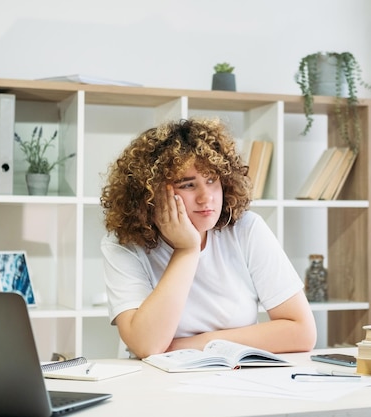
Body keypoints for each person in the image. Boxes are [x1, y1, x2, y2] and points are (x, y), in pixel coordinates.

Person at [100, 118, 317, 359]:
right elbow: (147, 346)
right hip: (156, 383)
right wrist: (187, 250)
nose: (206, 198)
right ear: (151, 192)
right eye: (188, 184)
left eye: (212, 180)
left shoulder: (247, 229)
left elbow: (302, 332)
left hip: (235, 379)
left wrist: (195, 344)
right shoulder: (124, 245)